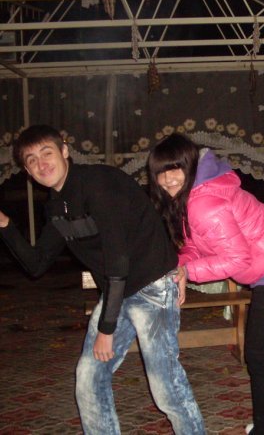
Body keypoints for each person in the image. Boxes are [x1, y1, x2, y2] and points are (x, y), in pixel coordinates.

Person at [0, 125, 205, 434]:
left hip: (152, 285)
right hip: (117, 291)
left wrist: (106, 330)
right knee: (89, 377)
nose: (41, 164)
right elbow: (36, 264)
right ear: (27, 171)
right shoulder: (56, 207)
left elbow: (118, 258)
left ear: (64, 151)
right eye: (31, 160)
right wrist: (4, 224)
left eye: (46, 153)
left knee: (166, 385)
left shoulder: (98, 183)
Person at [147, 134, 264, 435]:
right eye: (161, 171)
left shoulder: (202, 203)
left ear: (190, 165)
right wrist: (181, 264)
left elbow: (236, 260)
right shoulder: (198, 189)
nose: (168, 178)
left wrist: (188, 272)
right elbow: (196, 243)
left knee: (261, 356)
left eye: (175, 168)